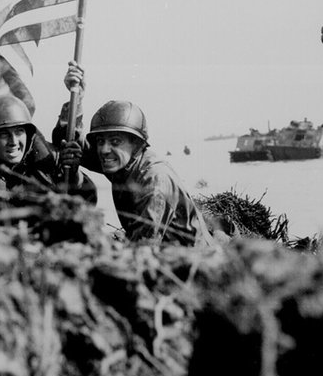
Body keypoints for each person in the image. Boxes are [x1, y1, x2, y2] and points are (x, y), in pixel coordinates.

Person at [59, 66, 211, 246]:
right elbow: (67, 139)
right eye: (100, 141)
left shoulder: (154, 181)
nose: (104, 150)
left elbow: (143, 249)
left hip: (193, 259)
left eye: (115, 141)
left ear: (136, 144)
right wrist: (76, 97)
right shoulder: (121, 161)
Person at [0, 94, 97, 204]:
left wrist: (74, 176)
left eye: (19, 132)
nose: (14, 142)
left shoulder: (48, 164)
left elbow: (88, 202)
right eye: (3, 134)